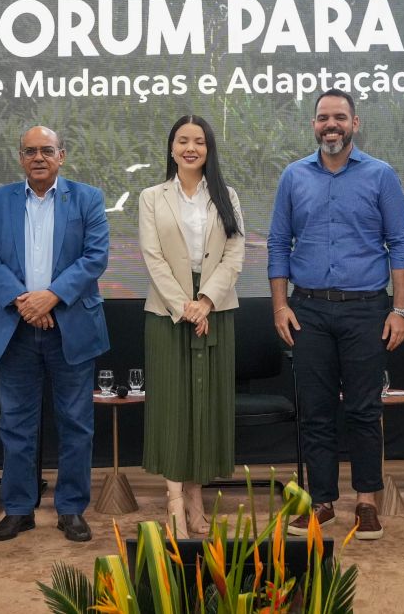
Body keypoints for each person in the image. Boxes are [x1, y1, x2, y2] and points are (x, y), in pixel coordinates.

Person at [268, 89, 404, 542]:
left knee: (365, 410)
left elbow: (400, 244)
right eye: (323, 118)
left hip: (366, 310)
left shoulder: (380, 175)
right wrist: (279, 306)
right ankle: (322, 502)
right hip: (308, 309)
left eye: (339, 117)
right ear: (314, 124)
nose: (331, 125)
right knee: (315, 411)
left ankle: (366, 503)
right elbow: (278, 244)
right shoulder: (294, 176)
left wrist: (400, 310)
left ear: (355, 123)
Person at [0, 126, 109, 543]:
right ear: (20, 158)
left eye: (46, 150)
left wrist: (50, 297)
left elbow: (95, 257)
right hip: (15, 329)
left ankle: (71, 509)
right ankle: (18, 510)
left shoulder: (87, 198)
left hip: (71, 328)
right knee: (15, 425)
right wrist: (23, 301)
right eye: (30, 151)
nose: (38, 158)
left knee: (76, 424)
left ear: (61, 156)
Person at [139, 115, 245, 537]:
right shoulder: (152, 197)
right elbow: (152, 257)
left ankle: (197, 499)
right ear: (171, 148)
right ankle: (174, 504)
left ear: (208, 149)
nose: (190, 148)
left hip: (215, 308)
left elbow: (235, 254)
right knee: (172, 407)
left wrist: (206, 302)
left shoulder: (227, 195)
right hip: (167, 312)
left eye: (199, 141)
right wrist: (184, 306)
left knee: (205, 407)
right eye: (182, 140)